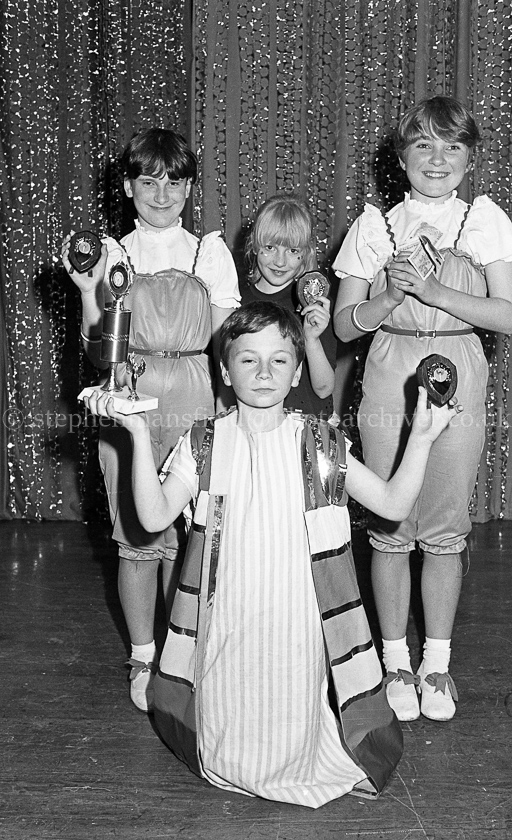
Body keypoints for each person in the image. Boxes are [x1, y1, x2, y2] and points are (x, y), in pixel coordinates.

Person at [83, 300, 460, 808]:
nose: (264, 372)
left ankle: (297, 758)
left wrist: (421, 438)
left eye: (279, 360)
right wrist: (135, 435)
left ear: (297, 371)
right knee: (229, 719)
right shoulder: (204, 440)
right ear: (224, 370)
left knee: (290, 704)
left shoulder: (321, 442)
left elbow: (393, 504)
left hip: (295, 620)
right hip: (227, 617)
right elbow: (152, 518)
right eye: (248, 359)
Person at [332, 95, 512, 723]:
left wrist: (434, 291)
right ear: (401, 156)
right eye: (423, 145)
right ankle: (394, 663)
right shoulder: (374, 227)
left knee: (444, 523)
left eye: (452, 146)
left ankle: (436, 663)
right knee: (391, 521)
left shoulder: (484, 221)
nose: (438, 159)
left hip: (458, 366)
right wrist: (388, 298)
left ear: (470, 158)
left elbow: (507, 315)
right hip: (390, 372)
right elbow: (344, 327)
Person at [61, 128, 240, 712]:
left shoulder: (208, 253)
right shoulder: (111, 254)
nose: (162, 195)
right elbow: (97, 350)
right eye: (148, 182)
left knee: (189, 535)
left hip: (196, 395)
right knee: (137, 535)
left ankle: (180, 652)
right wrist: (87, 291)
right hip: (129, 397)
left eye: (175, 182)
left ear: (189, 188)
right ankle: (143, 653)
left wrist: (232, 408)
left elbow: (226, 344)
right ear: (127, 187)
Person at [240, 194, 336, 420]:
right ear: (254, 245)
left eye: (293, 251)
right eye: (270, 247)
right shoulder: (235, 300)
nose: (280, 261)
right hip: (254, 422)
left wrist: (311, 338)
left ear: (306, 253)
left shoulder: (313, 304)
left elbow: (324, 389)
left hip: (306, 425)